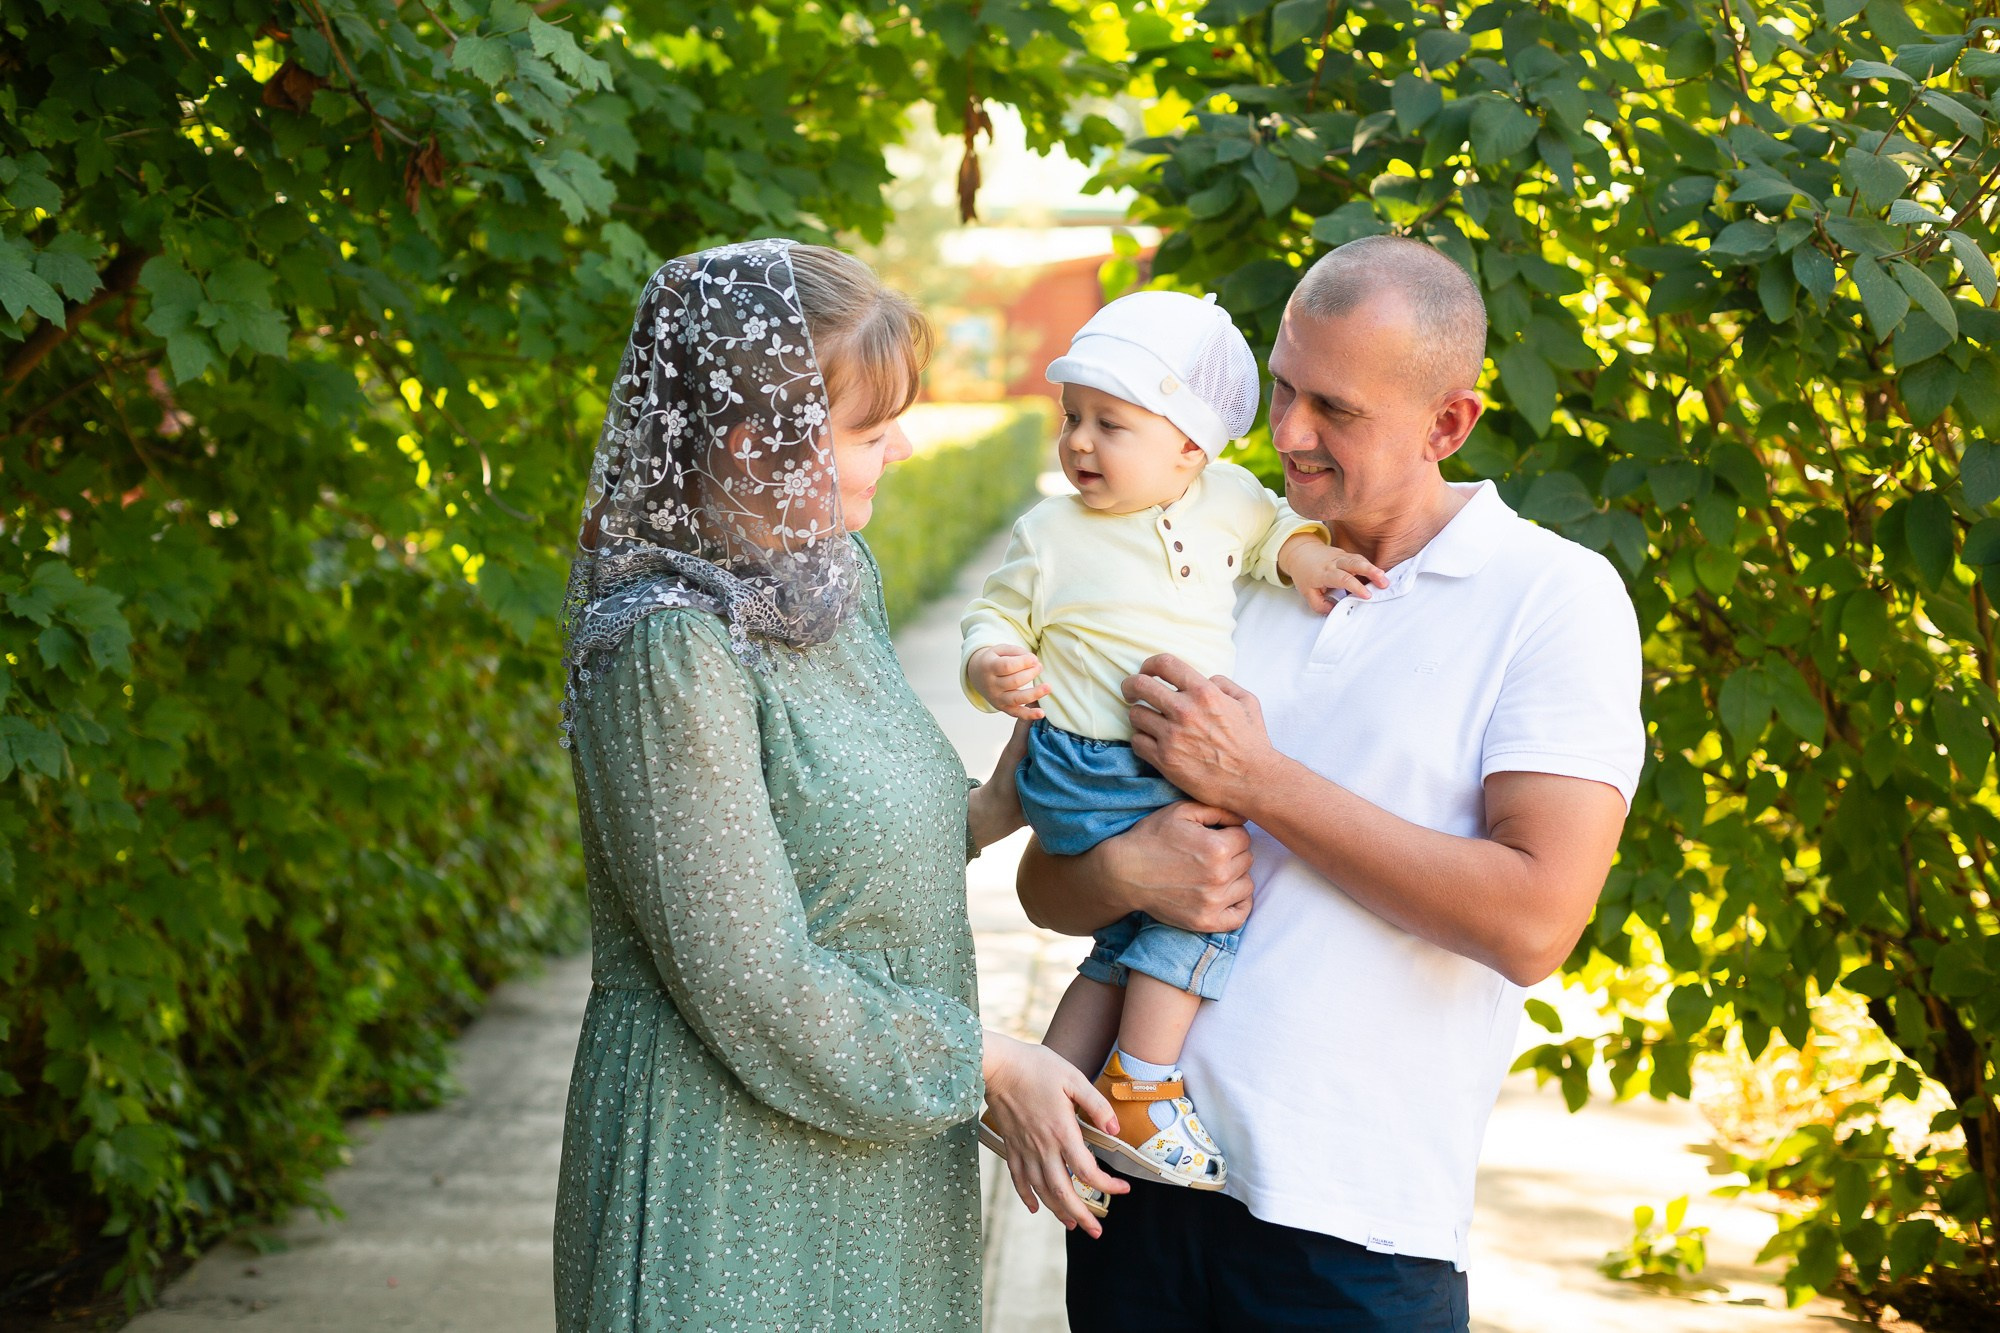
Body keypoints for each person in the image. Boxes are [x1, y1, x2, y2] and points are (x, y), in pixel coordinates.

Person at [1017, 235, 1646, 1330]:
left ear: (1446, 422)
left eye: (1335, 411)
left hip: (1352, 1228)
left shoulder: (1552, 597)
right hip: (1133, 1193)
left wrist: (1262, 784)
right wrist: (1126, 865)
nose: (1287, 436)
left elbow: (1534, 921)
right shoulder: (1212, 553)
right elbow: (1042, 883)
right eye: (1280, 390)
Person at [552, 239, 1126, 1333]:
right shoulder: (670, 650)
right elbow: (751, 977)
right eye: (868, 430)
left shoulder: (826, 576)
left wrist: (1006, 796)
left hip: (880, 1165)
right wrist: (985, 1061)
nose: (901, 448)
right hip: (721, 1176)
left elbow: (835, 842)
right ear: (750, 444)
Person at [959, 291, 1384, 1193]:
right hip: (1096, 766)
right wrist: (992, 661)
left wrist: (1306, 558)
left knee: (1119, 946)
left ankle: (1056, 1092)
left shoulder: (1226, 498)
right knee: (1208, 900)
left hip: (1135, 765)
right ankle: (1143, 1087)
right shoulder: (1051, 532)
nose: (1078, 441)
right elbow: (993, 614)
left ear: (1189, 447)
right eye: (1072, 418)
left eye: (1110, 424)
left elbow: (1274, 529)